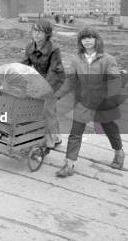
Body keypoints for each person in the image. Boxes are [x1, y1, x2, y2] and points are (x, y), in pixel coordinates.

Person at [53, 27, 125, 177]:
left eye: (90, 37)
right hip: (83, 102)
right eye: (83, 38)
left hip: (103, 102)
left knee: (109, 128)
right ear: (80, 42)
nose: (86, 40)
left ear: (96, 40)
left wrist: (111, 98)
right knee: (75, 133)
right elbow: (71, 81)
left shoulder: (107, 59)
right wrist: (58, 95)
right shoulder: (76, 60)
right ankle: (69, 164)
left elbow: (114, 80)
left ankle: (119, 152)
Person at [21, 20, 65, 153]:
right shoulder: (30, 46)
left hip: (55, 80)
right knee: (47, 110)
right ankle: (56, 137)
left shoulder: (54, 49)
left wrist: (43, 89)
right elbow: (24, 65)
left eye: (40, 32)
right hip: (40, 78)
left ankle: (49, 142)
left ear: (47, 34)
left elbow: (54, 71)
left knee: (46, 109)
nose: (36, 34)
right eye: (34, 31)